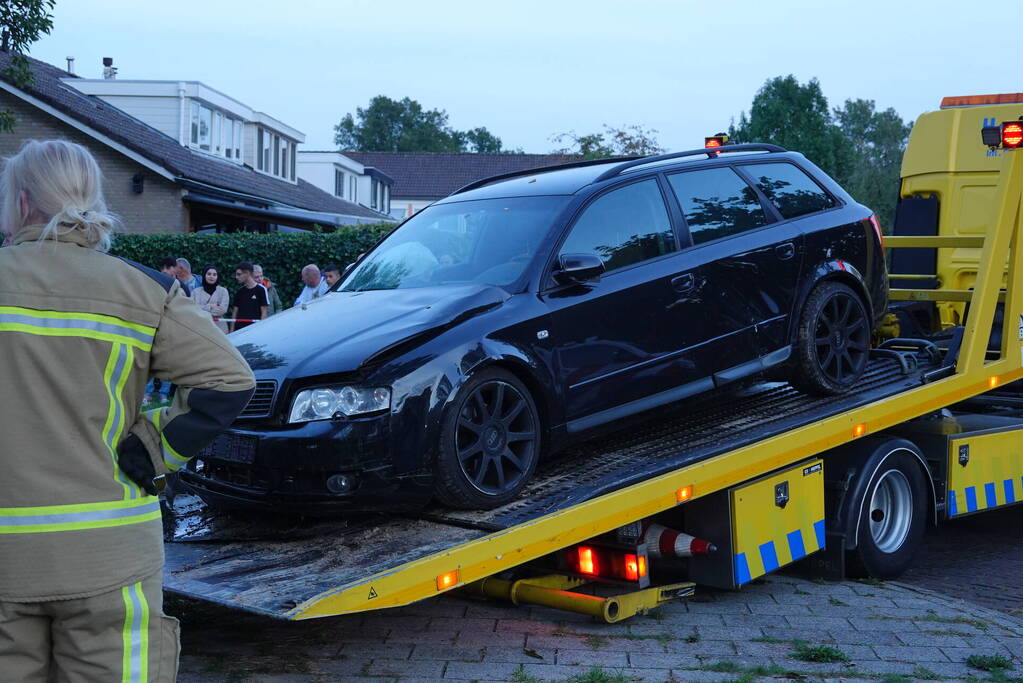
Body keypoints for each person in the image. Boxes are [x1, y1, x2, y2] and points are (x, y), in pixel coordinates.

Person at [0, 139, 255, 681]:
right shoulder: (148, 291)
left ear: (22, 203)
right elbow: (229, 381)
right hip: (111, 556)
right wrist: (155, 449)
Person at [191, 265, 230, 333]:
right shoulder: (195, 292)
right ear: (204, 275)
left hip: (220, 328)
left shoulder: (223, 291)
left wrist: (202, 308)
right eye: (209, 274)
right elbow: (194, 309)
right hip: (201, 328)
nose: (211, 276)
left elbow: (223, 310)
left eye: (214, 274)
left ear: (217, 277)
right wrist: (210, 306)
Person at [231, 261, 268, 332]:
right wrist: (232, 331)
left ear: (247, 273)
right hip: (239, 330)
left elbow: (264, 312)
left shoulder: (261, 290)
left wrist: (261, 329)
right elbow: (234, 312)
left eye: (239, 274)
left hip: (255, 330)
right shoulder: (239, 292)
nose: (236, 277)